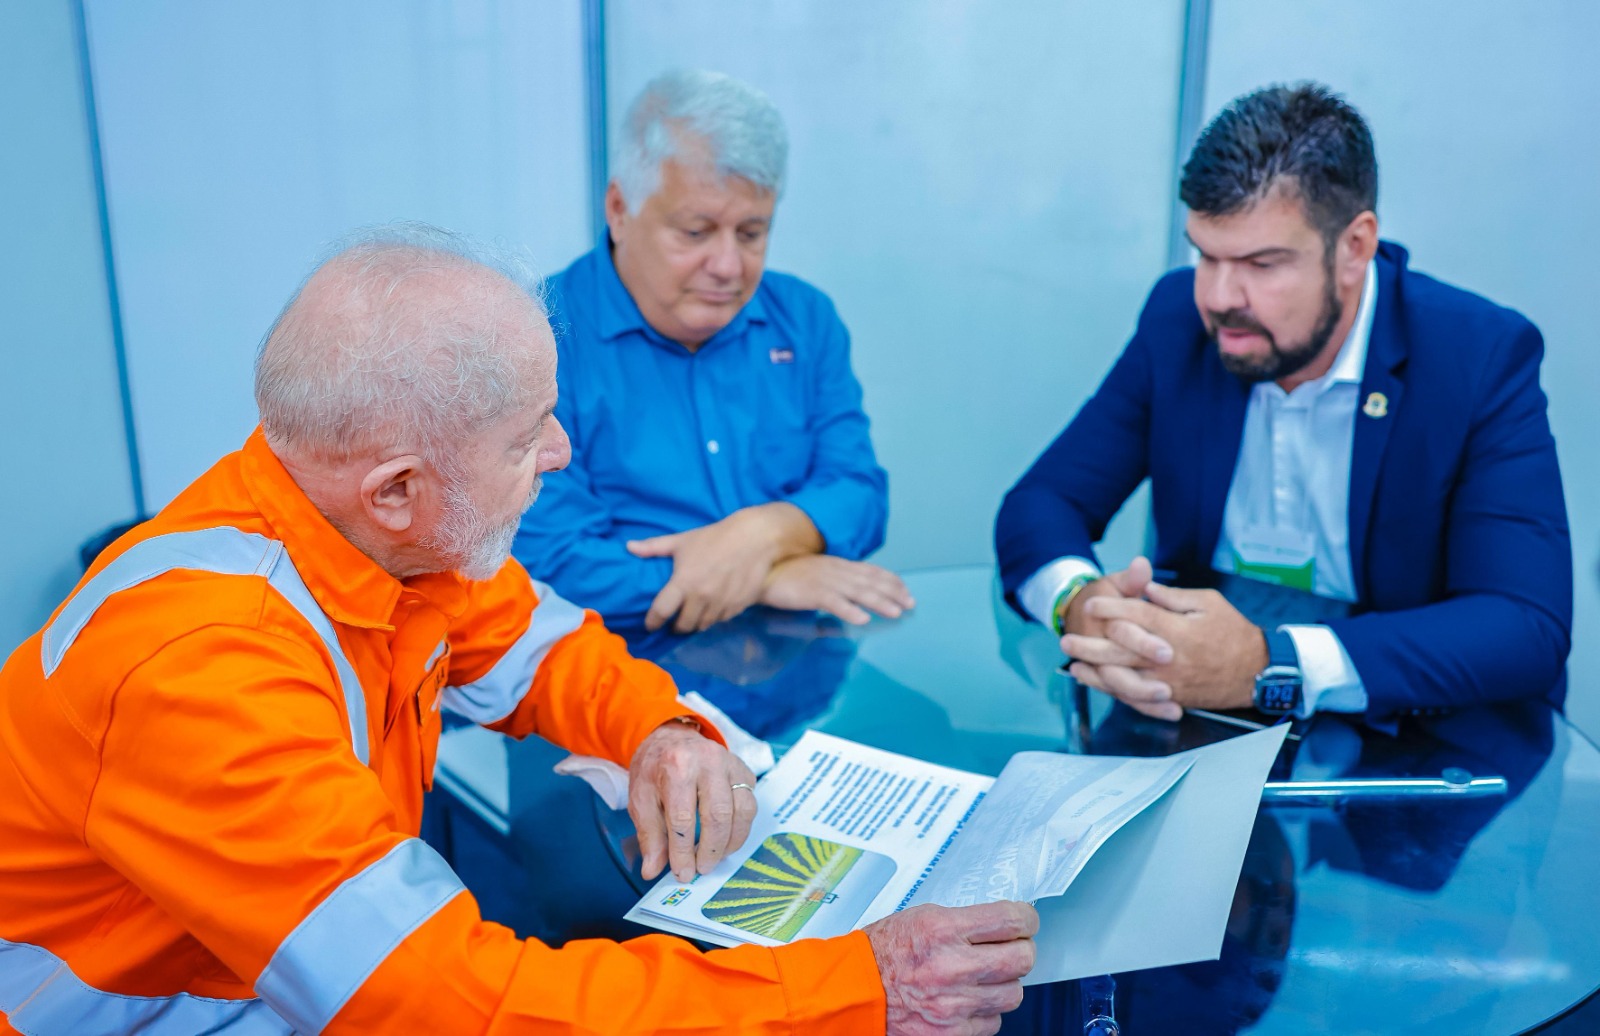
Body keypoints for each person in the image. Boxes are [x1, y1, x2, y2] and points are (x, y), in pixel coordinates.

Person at [0, 225, 1036, 1035]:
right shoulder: (202, 674)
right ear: (400, 487)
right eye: (524, 432)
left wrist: (660, 730)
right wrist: (855, 990)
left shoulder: (366, 529)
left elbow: (542, 646)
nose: (560, 449)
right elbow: (457, 1009)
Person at [995, 83, 1571, 723]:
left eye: (1261, 264)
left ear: (1354, 248)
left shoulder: (1475, 354)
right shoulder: (1178, 321)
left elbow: (1524, 626)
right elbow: (1041, 502)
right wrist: (1082, 605)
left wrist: (1270, 665)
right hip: (1197, 725)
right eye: (1205, 256)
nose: (1218, 296)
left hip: (1410, 745)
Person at [513, 69, 913, 641]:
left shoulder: (805, 319)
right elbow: (548, 563)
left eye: (751, 234)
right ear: (620, 209)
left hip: (793, 673)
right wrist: (761, 577)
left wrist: (764, 533)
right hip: (599, 680)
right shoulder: (531, 338)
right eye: (696, 232)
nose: (728, 267)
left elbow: (860, 493)